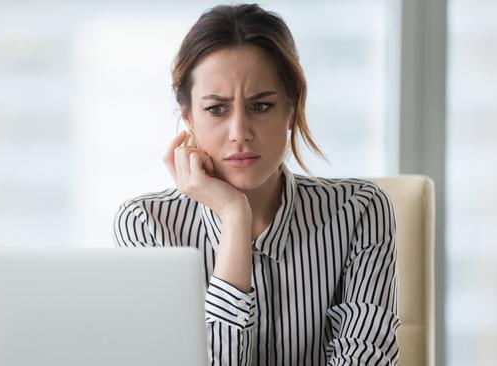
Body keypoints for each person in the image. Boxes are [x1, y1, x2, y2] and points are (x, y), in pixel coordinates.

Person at [112, 3, 400, 365]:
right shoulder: (146, 224)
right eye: (217, 109)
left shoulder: (359, 210)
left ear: (291, 110)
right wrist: (235, 219)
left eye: (261, 106)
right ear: (188, 118)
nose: (239, 133)